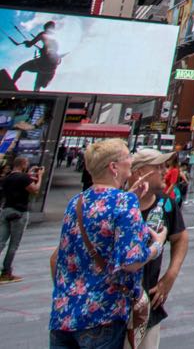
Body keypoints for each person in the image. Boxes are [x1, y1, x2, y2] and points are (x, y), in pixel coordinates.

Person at [49, 139, 166, 348]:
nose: (131, 160)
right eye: (127, 157)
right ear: (114, 167)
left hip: (63, 315)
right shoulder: (124, 203)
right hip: (102, 316)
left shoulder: (75, 202)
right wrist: (157, 246)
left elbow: (57, 258)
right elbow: (131, 262)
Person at [130, 149, 189, 348]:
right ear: (139, 172)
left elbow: (180, 238)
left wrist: (170, 276)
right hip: (112, 311)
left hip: (148, 305)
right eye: (158, 167)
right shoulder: (116, 203)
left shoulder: (166, 204)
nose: (165, 170)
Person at [0, 156, 43, 283]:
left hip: (6, 210)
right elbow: (35, 190)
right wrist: (39, 176)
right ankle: (6, 272)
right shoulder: (24, 178)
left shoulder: (8, 177)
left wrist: (30, 173)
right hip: (19, 212)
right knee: (13, 244)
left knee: (1, 241)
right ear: (23, 164)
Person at [12, 20, 68, 91]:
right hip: (52, 68)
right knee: (38, 86)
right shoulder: (57, 37)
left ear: (45, 28)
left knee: (20, 69)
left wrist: (27, 43)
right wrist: (44, 50)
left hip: (43, 64)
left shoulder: (43, 34)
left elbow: (29, 45)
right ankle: (38, 93)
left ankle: (11, 83)